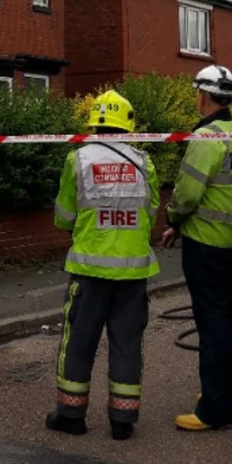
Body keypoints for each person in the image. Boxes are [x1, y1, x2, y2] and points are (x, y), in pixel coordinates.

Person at [46, 90, 160, 441]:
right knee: (127, 343)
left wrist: (85, 227)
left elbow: (64, 214)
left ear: (94, 123)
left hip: (89, 272)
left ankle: (71, 415)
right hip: (133, 273)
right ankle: (122, 422)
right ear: (127, 125)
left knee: (78, 342)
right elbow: (152, 213)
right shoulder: (145, 162)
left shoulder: (77, 159)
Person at [162, 65, 232, 432]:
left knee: (212, 322)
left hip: (204, 242)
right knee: (231, 317)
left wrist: (172, 221)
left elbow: (187, 193)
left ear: (203, 95)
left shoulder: (207, 137)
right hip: (230, 242)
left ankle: (215, 409)